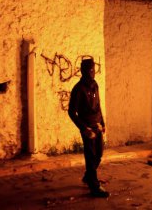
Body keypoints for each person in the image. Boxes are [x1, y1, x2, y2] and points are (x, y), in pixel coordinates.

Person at [68, 58, 108, 198]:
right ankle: (94, 186)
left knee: (99, 155)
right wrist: (84, 128)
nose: (92, 73)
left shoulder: (95, 85)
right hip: (88, 129)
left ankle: (88, 176)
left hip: (97, 126)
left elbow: (98, 106)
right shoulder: (78, 89)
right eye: (89, 70)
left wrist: (102, 123)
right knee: (91, 157)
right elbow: (72, 112)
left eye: (93, 70)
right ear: (83, 71)